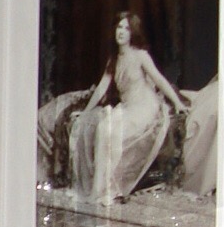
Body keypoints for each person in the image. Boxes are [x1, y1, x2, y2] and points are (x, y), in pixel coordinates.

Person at [69, 11, 190, 205]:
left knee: (115, 134)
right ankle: (97, 190)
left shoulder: (141, 55)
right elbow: (101, 88)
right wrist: (85, 112)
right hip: (126, 107)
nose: (121, 32)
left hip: (144, 107)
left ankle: (111, 189)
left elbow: (159, 79)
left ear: (132, 32)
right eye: (118, 27)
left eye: (126, 28)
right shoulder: (114, 59)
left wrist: (176, 102)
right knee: (103, 129)